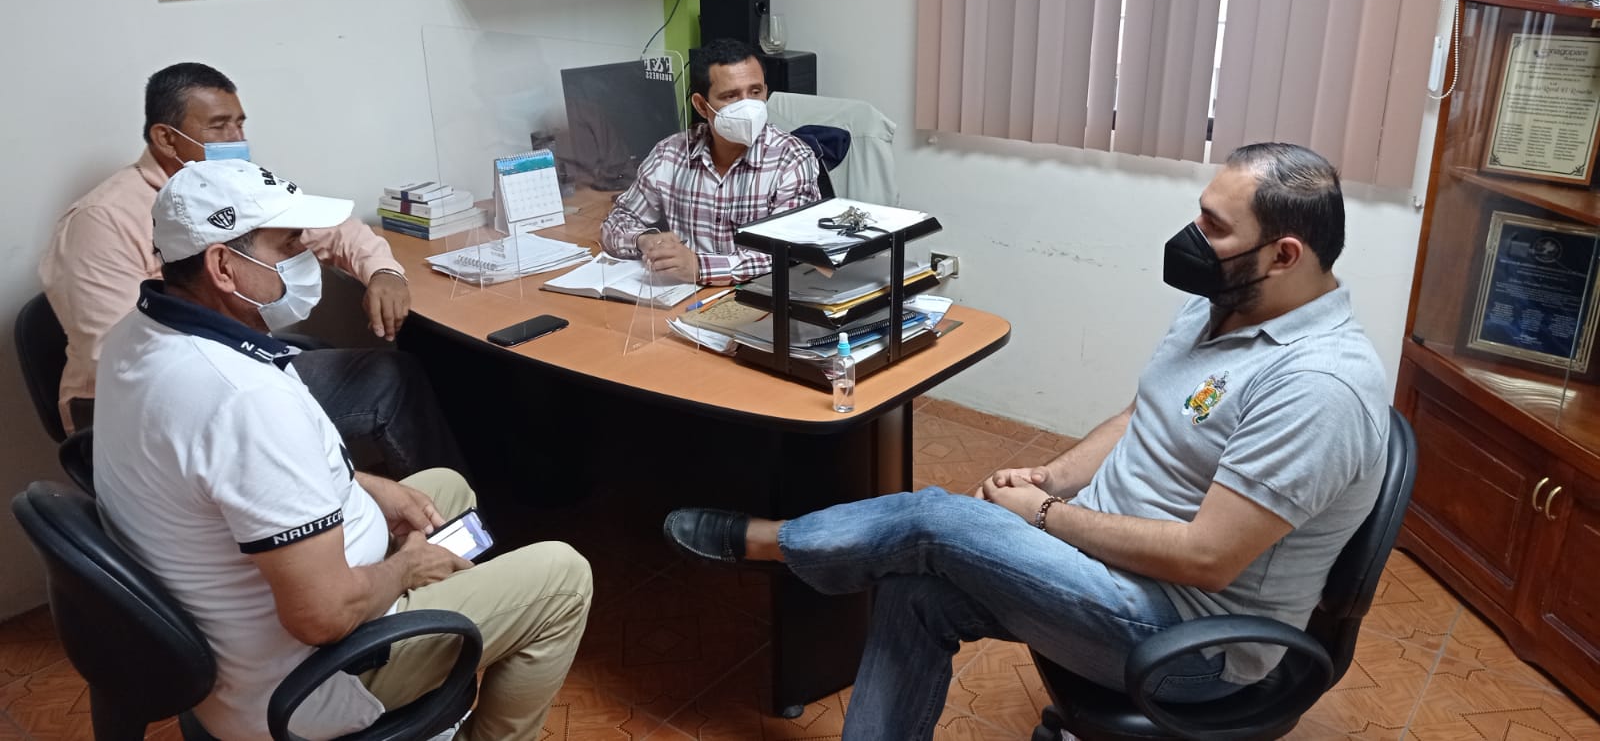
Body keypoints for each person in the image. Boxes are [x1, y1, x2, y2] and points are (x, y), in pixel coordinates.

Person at [663, 143, 1390, 740]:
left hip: (1185, 641)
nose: (1192, 237)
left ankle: (774, 543)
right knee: (914, 590)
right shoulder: (1226, 303)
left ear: (1284, 255)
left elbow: (1207, 559)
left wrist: (1043, 516)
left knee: (935, 520)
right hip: (1099, 568)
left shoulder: (1318, 387)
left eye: (1215, 227)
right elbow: (1146, 414)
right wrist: (1052, 479)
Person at [93, 159, 591, 741]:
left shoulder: (140, 333)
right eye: (288, 244)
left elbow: (231, 481)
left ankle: (440, 648)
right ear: (223, 266)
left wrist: (362, 486)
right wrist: (404, 569)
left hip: (237, 633)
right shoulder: (244, 401)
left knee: (445, 491)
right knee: (564, 576)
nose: (305, 255)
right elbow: (321, 616)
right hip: (309, 681)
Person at [40, 62, 464, 477]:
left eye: (240, 124)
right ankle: (443, 515)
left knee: (328, 354)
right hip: (149, 404)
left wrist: (384, 271)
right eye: (219, 126)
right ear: (167, 138)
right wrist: (262, 389)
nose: (236, 139)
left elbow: (333, 229)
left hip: (226, 358)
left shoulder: (229, 182)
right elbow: (124, 360)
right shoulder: (102, 220)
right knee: (389, 378)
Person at [599, 38, 821, 285]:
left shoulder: (792, 159)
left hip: (757, 296)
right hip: (681, 293)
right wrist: (644, 240)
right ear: (702, 106)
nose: (747, 106)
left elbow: (788, 251)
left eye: (755, 92)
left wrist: (700, 267)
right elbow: (616, 222)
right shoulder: (670, 154)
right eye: (731, 96)